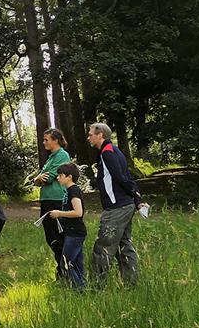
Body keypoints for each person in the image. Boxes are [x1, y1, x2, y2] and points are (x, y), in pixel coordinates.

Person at [87, 123, 142, 287]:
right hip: (125, 205)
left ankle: (96, 286)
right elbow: (127, 176)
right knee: (124, 245)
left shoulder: (108, 152)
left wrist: (134, 194)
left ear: (100, 135)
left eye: (90, 134)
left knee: (103, 246)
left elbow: (122, 178)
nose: (88, 137)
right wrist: (136, 198)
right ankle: (131, 285)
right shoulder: (113, 151)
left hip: (117, 208)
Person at [32, 128, 71, 282]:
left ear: (56, 140)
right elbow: (37, 180)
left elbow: (48, 178)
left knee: (58, 236)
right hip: (46, 200)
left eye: (46, 139)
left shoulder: (62, 155)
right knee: (51, 236)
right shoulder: (50, 158)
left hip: (56, 199)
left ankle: (65, 272)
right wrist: (38, 178)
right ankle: (62, 270)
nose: (44, 142)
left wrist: (41, 178)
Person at [49, 163, 86, 291]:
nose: (58, 178)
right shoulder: (68, 191)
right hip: (71, 233)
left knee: (65, 264)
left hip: (75, 233)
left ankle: (79, 289)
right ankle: (83, 286)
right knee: (76, 262)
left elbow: (78, 212)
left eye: (60, 175)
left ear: (69, 177)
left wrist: (59, 213)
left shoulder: (74, 191)